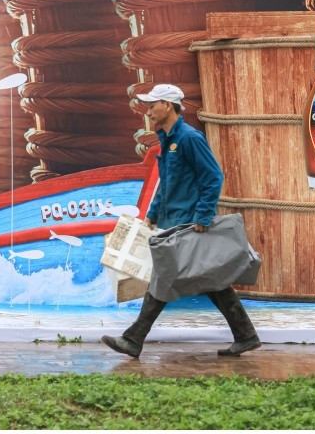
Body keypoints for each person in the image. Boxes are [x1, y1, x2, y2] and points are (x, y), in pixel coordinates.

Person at [102, 84, 261, 359]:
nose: (149, 111)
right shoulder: (168, 139)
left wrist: (202, 215)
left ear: (168, 105)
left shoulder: (189, 138)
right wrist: (153, 212)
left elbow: (213, 177)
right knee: (211, 280)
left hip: (189, 223)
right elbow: (167, 182)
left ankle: (133, 339)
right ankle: (246, 335)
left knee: (165, 278)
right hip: (173, 220)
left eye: (153, 105)